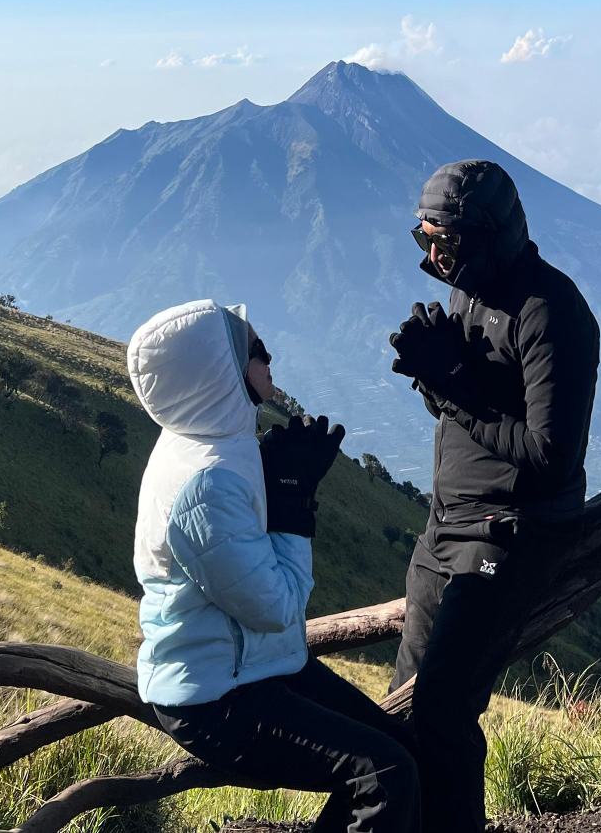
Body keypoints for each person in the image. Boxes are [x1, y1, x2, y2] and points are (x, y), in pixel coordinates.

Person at [128, 298, 419, 833]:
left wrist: (279, 482)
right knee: (382, 773)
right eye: (257, 352)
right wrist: (293, 505)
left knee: (398, 754)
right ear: (221, 373)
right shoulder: (207, 483)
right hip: (215, 696)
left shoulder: (206, 442)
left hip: (253, 666)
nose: (270, 358)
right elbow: (277, 608)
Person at [387, 160, 601, 833]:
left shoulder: (550, 311)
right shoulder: (467, 291)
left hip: (512, 529)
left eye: (445, 241)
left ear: (488, 234)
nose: (435, 256)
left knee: (443, 711)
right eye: (426, 241)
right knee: (401, 707)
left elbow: (548, 457)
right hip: (444, 525)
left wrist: (458, 393)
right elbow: (466, 413)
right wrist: (437, 381)